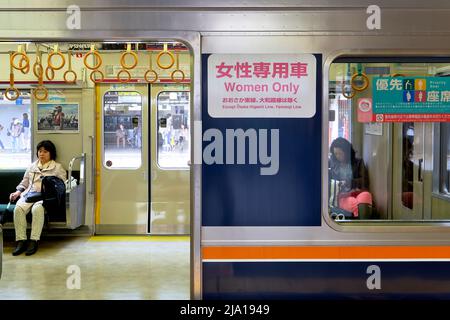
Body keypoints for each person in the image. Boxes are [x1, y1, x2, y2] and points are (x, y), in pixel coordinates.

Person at [9, 140, 66, 256]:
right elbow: (24, 183)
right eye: (40, 151)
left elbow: (63, 185)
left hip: (44, 198)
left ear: (51, 153)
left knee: (37, 209)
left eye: (45, 151)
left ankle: (34, 241)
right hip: (29, 194)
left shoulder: (57, 167)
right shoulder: (32, 166)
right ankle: (21, 241)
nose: (42, 154)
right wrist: (17, 192)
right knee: (18, 209)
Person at [329, 137, 372, 218]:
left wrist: (349, 182)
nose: (338, 156)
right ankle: (359, 216)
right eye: (336, 154)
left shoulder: (358, 162)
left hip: (357, 192)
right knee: (356, 204)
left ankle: (362, 219)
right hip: (342, 195)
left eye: (340, 153)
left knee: (366, 195)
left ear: (347, 152)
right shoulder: (332, 166)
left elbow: (365, 181)